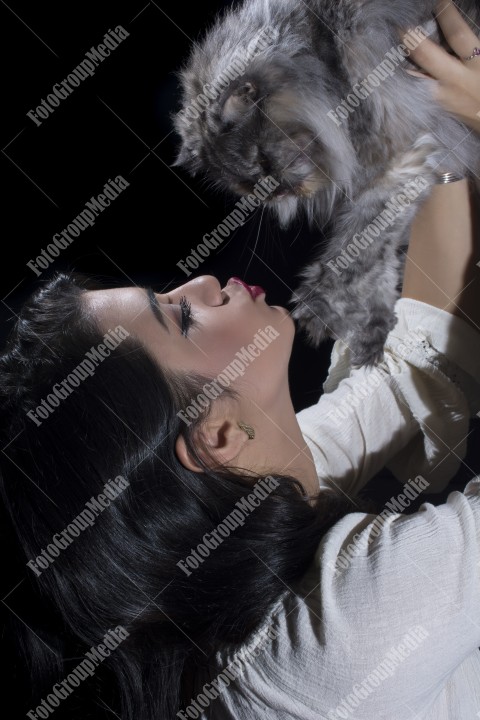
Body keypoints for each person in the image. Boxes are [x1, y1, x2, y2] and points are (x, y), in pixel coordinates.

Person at [1, 2, 479, 719]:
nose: (199, 282)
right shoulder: (337, 646)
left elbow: (418, 366)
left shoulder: (248, 498)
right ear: (219, 436)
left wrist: (433, 114)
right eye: (182, 316)